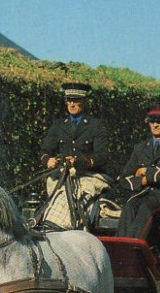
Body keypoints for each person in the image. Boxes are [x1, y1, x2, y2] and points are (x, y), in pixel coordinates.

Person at [35, 82, 110, 229]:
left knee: (72, 200)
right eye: (69, 100)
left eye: (76, 100)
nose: (72, 104)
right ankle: (45, 225)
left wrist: (79, 161)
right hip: (61, 176)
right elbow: (44, 151)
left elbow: (102, 156)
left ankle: (62, 228)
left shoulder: (96, 125)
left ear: (84, 101)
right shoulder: (58, 125)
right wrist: (47, 160)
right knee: (54, 198)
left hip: (88, 176)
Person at [114, 107, 160, 240]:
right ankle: (121, 246)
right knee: (129, 207)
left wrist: (144, 173)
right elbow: (124, 178)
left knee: (145, 209)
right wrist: (143, 180)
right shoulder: (140, 148)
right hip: (144, 194)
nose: (155, 125)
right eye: (152, 121)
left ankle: (134, 247)